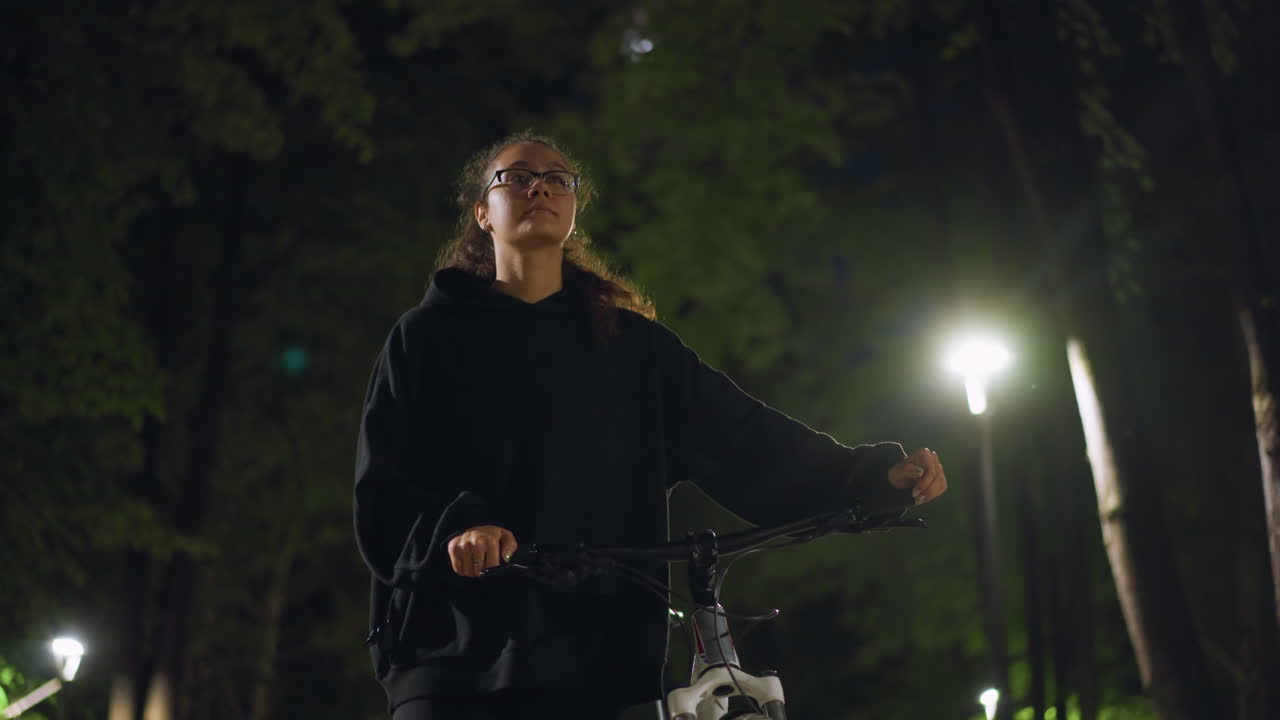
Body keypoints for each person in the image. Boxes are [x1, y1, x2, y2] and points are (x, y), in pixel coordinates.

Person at [353, 132, 948, 720]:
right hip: (455, 653)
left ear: (574, 207)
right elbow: (384, 487)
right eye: (516, 176)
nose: (540, 187)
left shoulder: (631, 348)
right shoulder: (426, 339)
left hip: (595, 652)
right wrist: (457, 530)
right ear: (483, 211)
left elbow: (744, 439)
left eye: (558, 178)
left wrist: (870, 478)